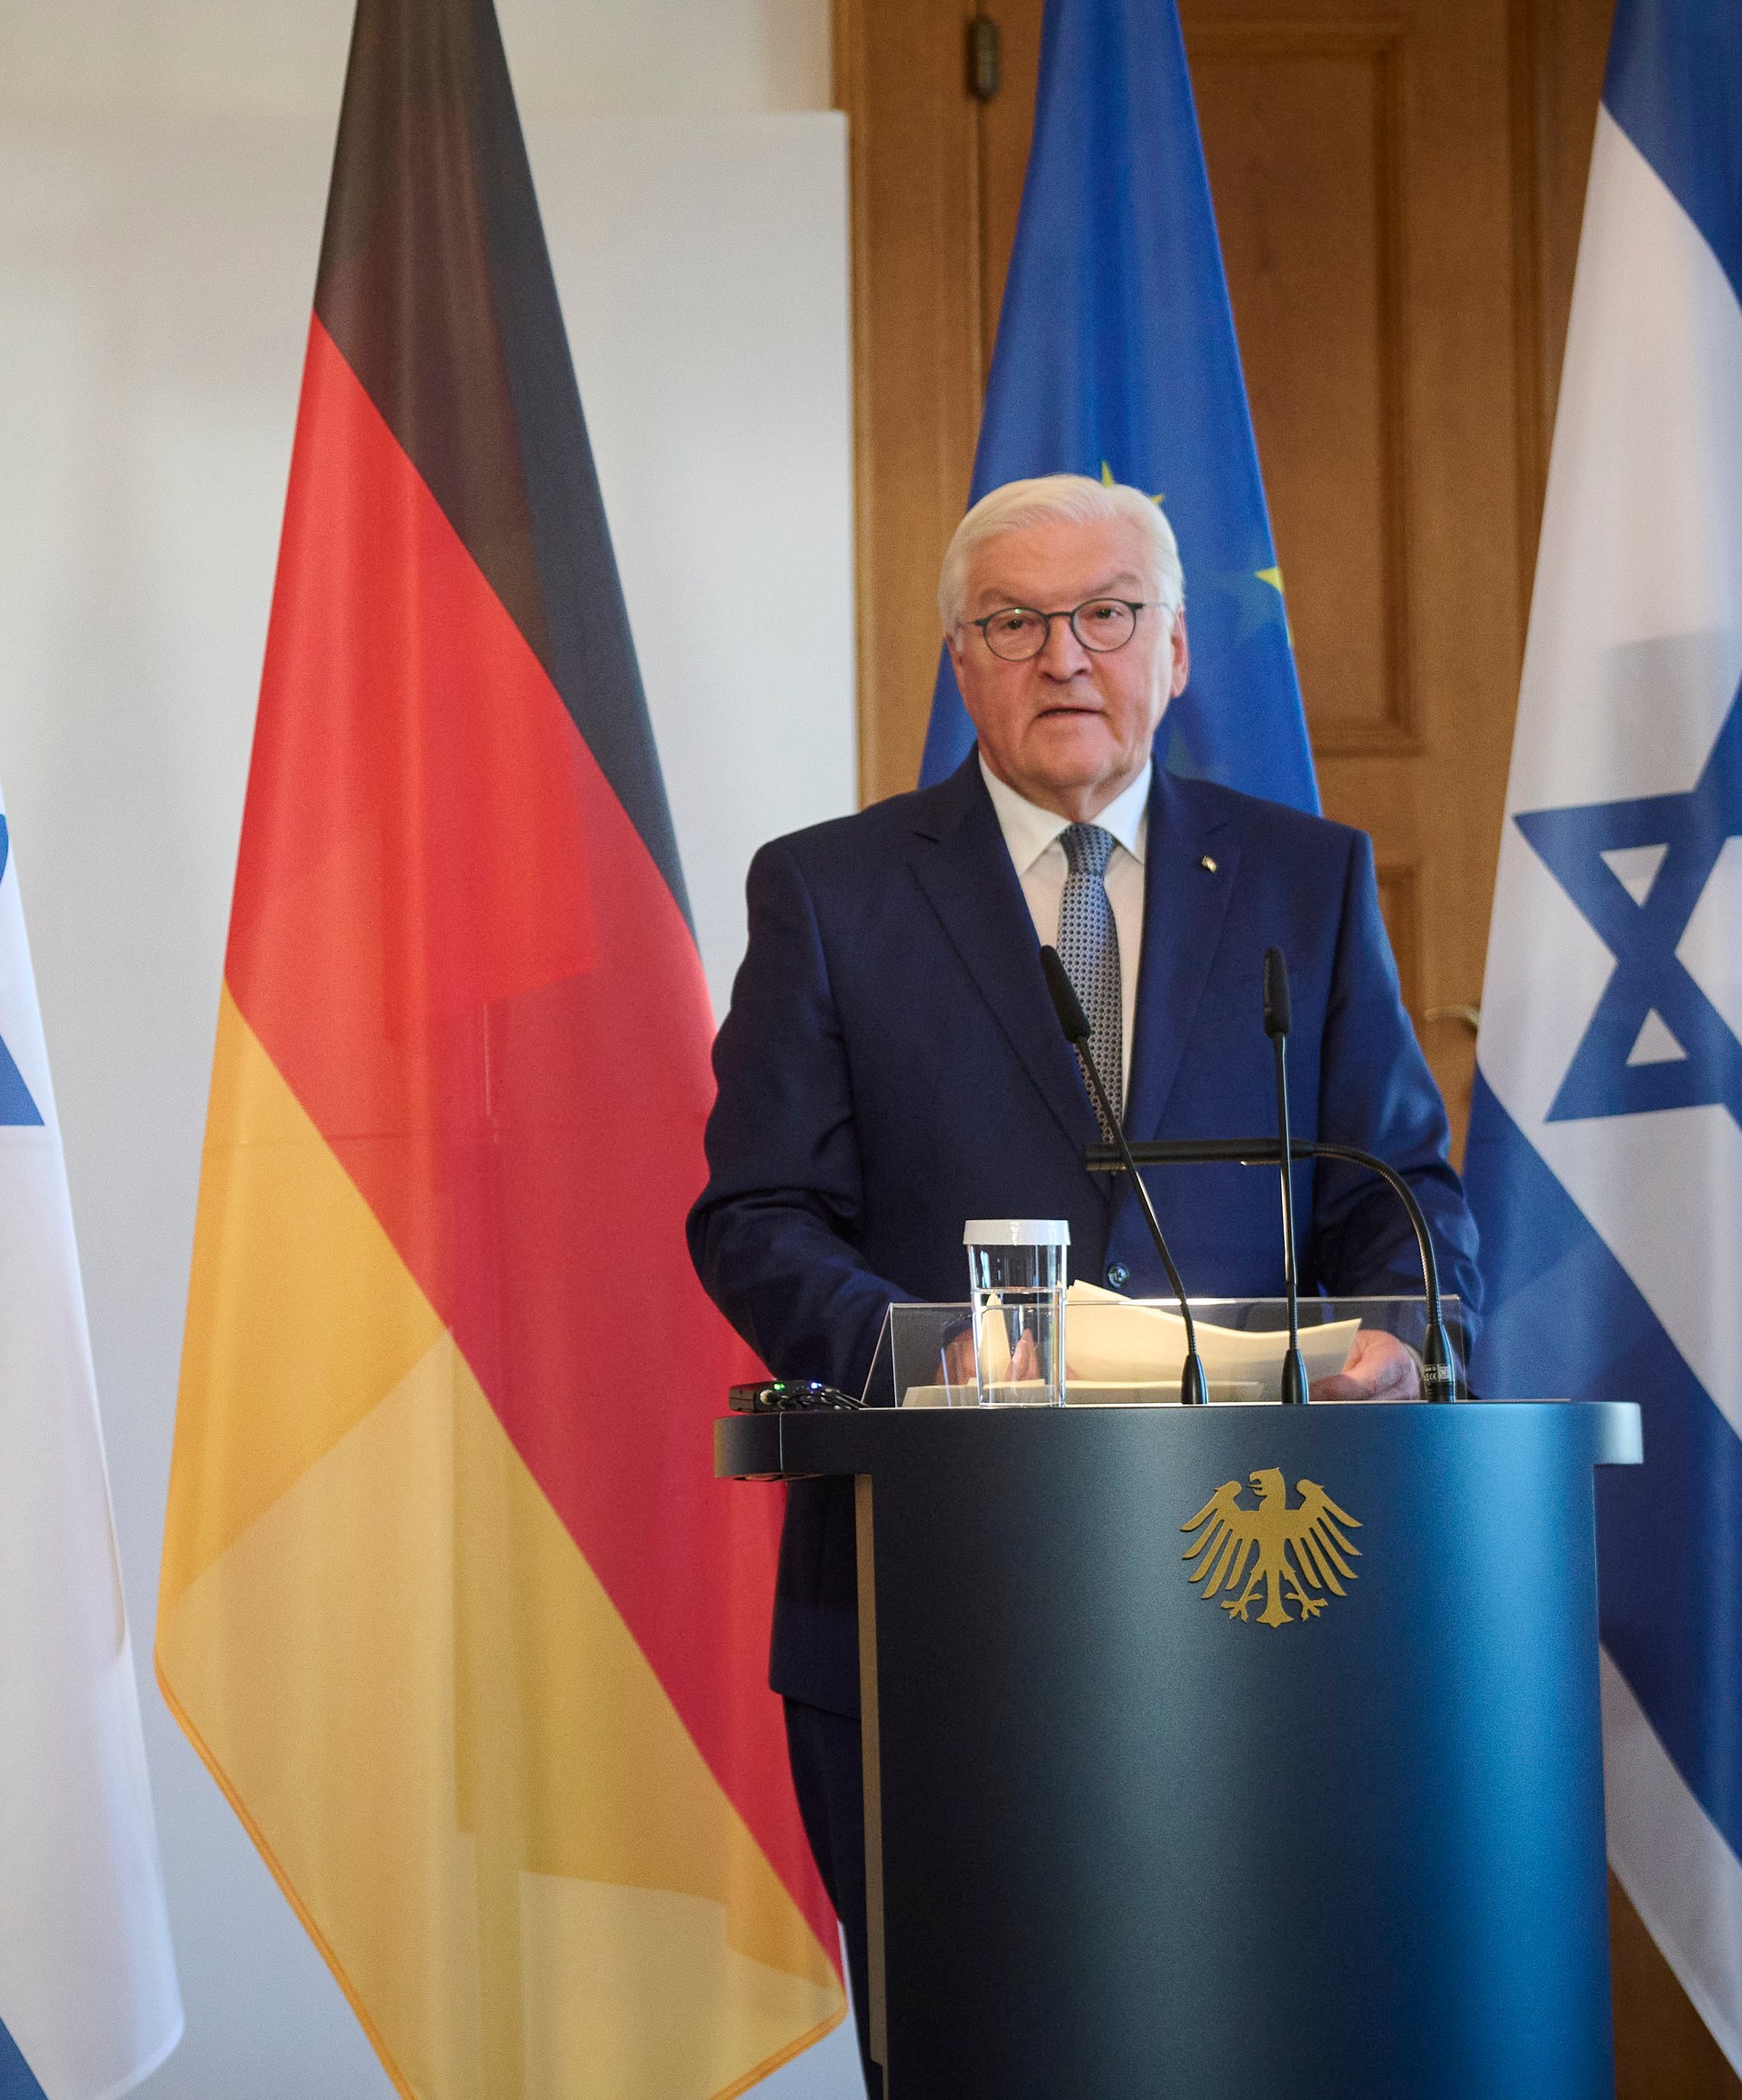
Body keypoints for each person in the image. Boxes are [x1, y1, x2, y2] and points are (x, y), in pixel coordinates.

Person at [686, 473, 1478, 2092]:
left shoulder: (1303, 881)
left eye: (1106, 614)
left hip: (1266, 1592)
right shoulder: (830, 891)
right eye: (1012, 622)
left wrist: (1397, 1340)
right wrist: (923, 1357)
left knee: (1260, 2046)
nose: (1065, 656)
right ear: (958, 664)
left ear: (1174, 650)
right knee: (978, 2052)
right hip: (932, 1596)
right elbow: (756, 1213)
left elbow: (1403, 1194)